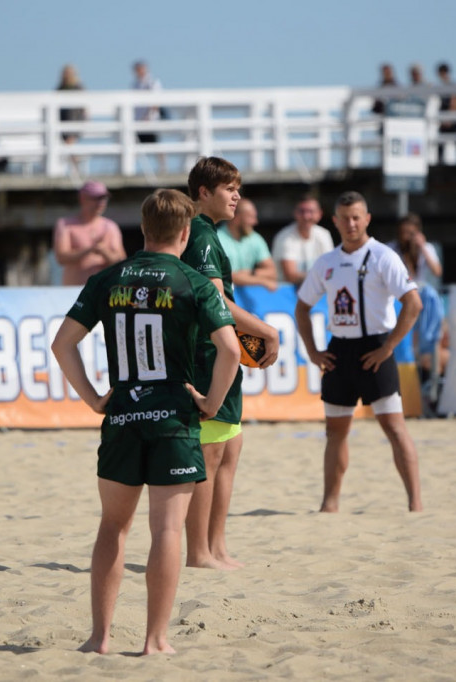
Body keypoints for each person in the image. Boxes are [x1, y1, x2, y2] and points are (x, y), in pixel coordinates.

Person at [51, 188, 241, 655]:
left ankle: (99, 637)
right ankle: (155, 640)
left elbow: (62, 344)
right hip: (173, 417)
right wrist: (212, 403)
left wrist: (95, 398)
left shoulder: (108, 278)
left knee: (112, 527)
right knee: (166, 532)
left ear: (143, 229)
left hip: (123, 414)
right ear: (183, 232)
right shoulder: (194, 281)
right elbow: (231, 350)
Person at [295, 191, 424, 513]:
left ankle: (416, 504)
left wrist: (389, 347)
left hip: (376, 347)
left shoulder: (383, 256)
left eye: (357, 217)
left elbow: (413, 303)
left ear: (367, 219)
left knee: (394, 427)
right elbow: (302, 308)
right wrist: (313, 351)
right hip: (339, 350)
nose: (351, 224)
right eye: (345, 218)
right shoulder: (326, 262)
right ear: (335, 221)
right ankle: (330, 503)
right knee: (335, 431)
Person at [181, 157, 280, 570]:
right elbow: (214, 300)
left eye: (238, 187)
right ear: (204, 193)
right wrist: (266, 330)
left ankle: (217, 547)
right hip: (206, 355)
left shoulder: (209, 232)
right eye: (228, 188)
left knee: (230, 448)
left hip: (217, 351)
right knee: (211, 453)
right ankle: (199, 552)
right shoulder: (201, 233)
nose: (237, 195)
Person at [388, 213, 446, 406]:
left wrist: (422, 247)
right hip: (402, 298)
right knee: (404, 343)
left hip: (420, 298)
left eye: (411, 233)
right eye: (404, 233)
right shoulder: (392, 249)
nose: (407, 237)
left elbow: (437, 272)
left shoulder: (424, 248)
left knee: (429, 343)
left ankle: (430, 388)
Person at [53, 181, 126, 285]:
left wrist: (103, 251)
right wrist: (89, 250)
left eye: (104, 198)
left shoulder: (111, 227)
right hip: (74, 293)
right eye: (96, 198)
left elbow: (121, 262)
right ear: (82, 198)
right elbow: (61, 258)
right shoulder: (65, 225)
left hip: (102, 292)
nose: (101, 203)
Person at [271, 195, 335, 285]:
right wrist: (322, 275)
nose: (306, 216)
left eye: (311, 211)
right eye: (302, 211)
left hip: (316, 291)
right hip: (288, 295)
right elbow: (290, 276)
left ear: (319, 214)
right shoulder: (284, 237)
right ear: (295, 213)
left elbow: (331, 267)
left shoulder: (324, 235)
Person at [217, 198, 278, 291]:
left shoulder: (255, 238)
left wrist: (250, 273)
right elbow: (224, 276)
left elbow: (272, 272)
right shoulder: (217, 238)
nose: (255, 222)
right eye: (250, 217)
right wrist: (261, 281)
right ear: (236, 218)